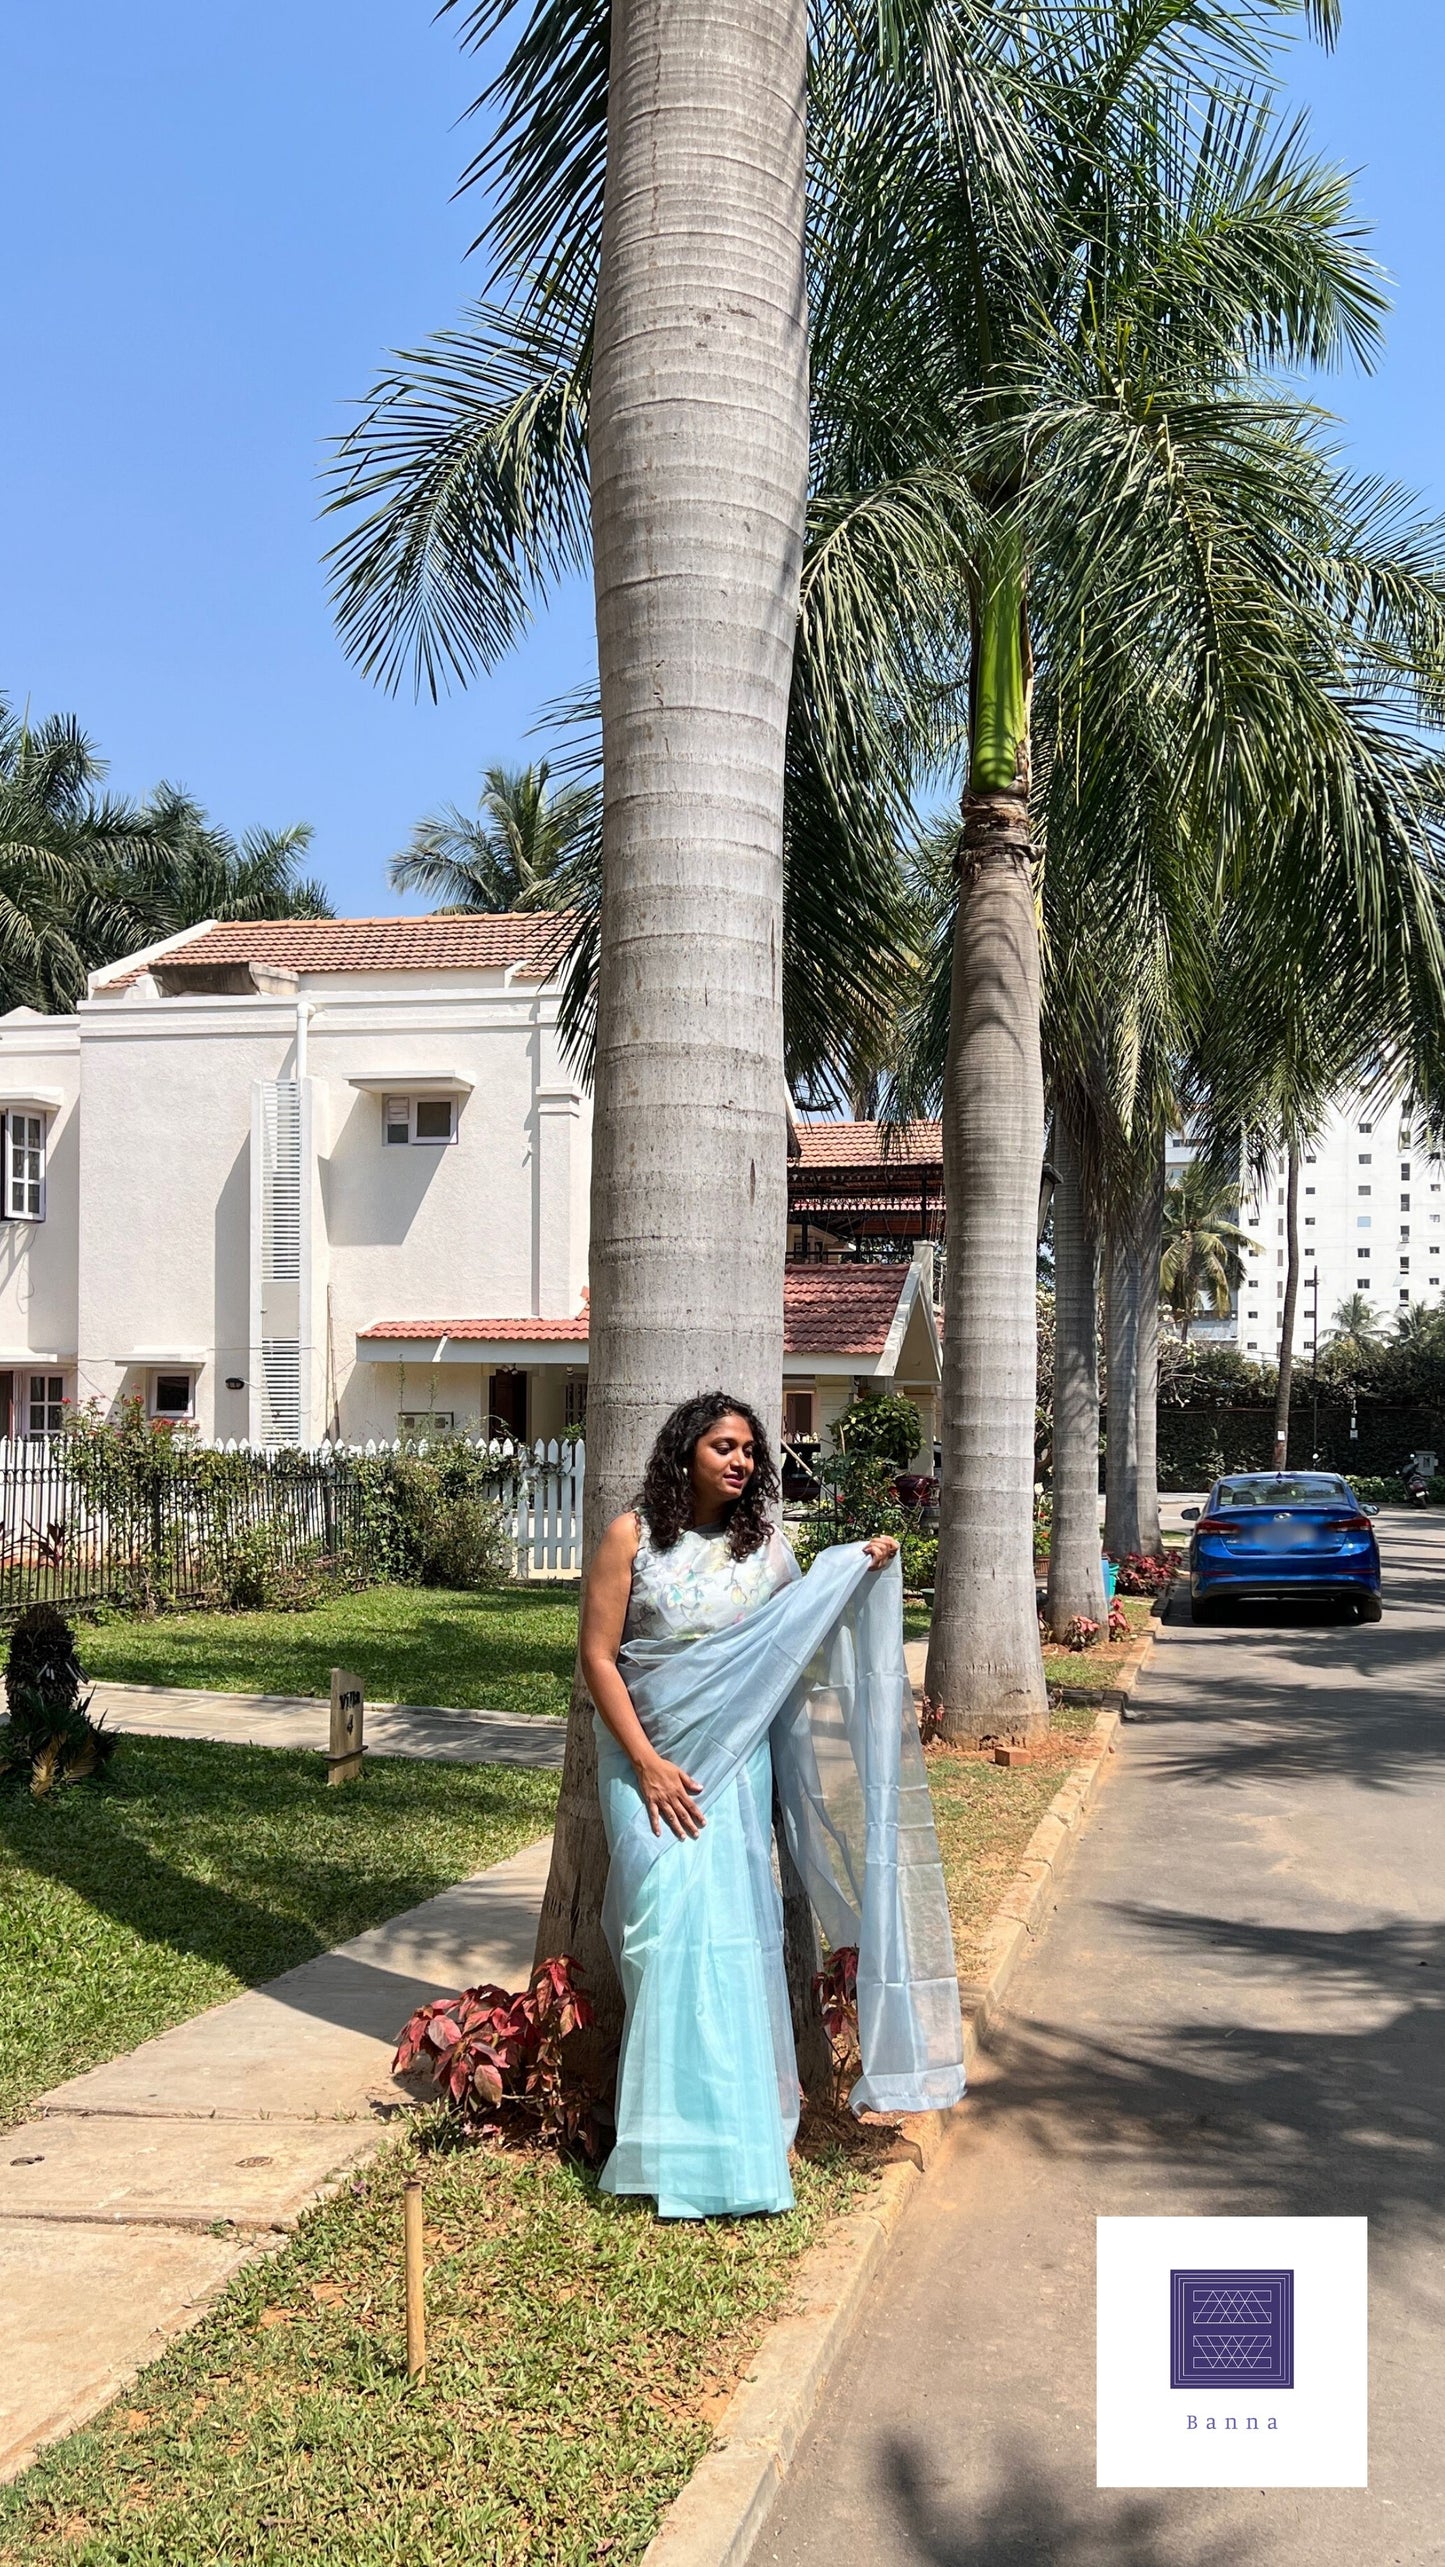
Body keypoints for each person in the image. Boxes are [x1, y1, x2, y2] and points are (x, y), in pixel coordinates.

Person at [581, 1390, 965, 2221]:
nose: (739, 1460)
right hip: (649, 1763)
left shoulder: (768, 1553)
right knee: (659, 1940)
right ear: (684, 1451)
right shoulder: (633, 1537)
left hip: (732, 1767)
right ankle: (662, 2143)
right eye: (723, 1445)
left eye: (749, 1449)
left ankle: (734, 2148)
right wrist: (646, 1764)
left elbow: (801, 1631)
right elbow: (599, 1658)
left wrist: (854, 1567)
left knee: (727, 1941)